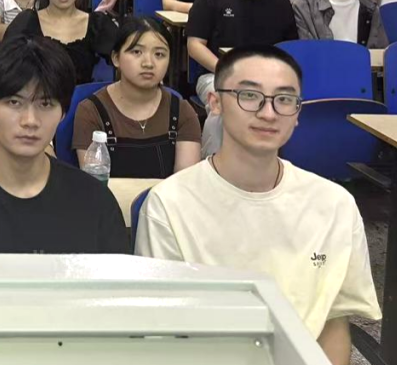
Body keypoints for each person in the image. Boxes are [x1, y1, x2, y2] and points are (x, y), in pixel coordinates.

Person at [136, 46, 381, 365]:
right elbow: (165, 337)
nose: (268, 113)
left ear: (297, 113)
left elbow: (332, 324)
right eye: (249, 96)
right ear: (215, 103)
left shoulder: (334, 205)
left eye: (284, 99)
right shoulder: (170, 204)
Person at [0, 37, 129, 255]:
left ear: (63, 113)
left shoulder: (94, 202)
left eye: (45, 104)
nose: (30, 121)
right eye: (14, 102)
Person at [187, 0, 299, 157]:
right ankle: (213, 165)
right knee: (224, 103)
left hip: (268, 78)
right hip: (216, 74)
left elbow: (290, 48)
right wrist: (227, 71)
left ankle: (269, 165)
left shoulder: (280, 2)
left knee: (286, 104)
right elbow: (195, 45)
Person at [73, 18, 201, 178]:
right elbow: (93, 184)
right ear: (116, 58)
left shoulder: (182, 111)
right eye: (137, 52)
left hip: (166, 195)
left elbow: (184, 184)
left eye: (159, 54)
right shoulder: (91, 111)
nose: (148, 63)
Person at [6, 0, 117, 85]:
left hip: (83, 99)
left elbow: (125, 59)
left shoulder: (97, 24)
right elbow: (5, 71)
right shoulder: (26, 24)